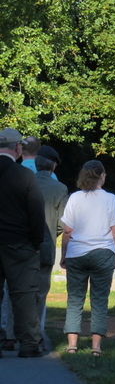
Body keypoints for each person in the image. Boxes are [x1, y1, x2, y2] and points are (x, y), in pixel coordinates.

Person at [60, 160, 115, 356]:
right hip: (103, 253)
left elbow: (68, 230)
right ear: (102, 176)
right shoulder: (110, 198)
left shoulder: (75, 198)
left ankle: (72, 345)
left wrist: (64, 255)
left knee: (75, 299)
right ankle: (96, 347)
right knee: (99, 299)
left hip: (77, 253)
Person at [0, 128, 45, 358]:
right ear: (18, 148)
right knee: (24, 294)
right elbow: (36, 213)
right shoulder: (25, 176)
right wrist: (35, 242)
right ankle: (28, 344)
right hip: (18, 243)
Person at [34, 146, 69, 345]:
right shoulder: (60, 188)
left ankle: (11, 335)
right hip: (45, 246)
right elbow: (62, 224)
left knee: (15, 292)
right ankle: (35, 333)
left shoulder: (23, 182)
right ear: (53, 166)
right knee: (39, 293)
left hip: (20, 247)